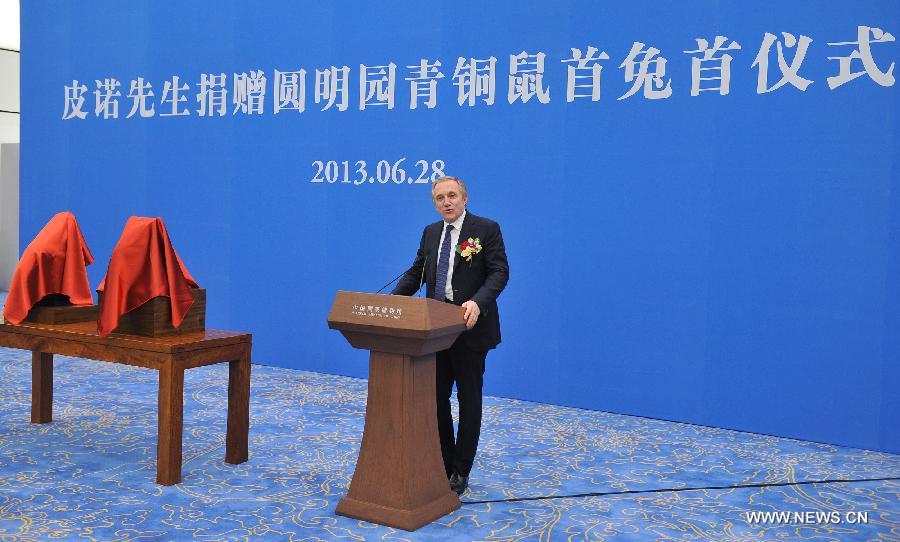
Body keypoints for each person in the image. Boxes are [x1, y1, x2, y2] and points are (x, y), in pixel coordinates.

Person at [391, 176, 509, 495]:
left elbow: (499, 272)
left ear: (464, 198)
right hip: (435, 332)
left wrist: (478, 302)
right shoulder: (431, 233)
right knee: (436, 399)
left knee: (468, 401)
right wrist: (392, 301)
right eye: (440, 197)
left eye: (452, 195)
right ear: (434, 203)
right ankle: (443, 462)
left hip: (470, 331)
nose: (447, 202)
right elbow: (416, 273)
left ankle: (461, 469)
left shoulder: (486, 229)